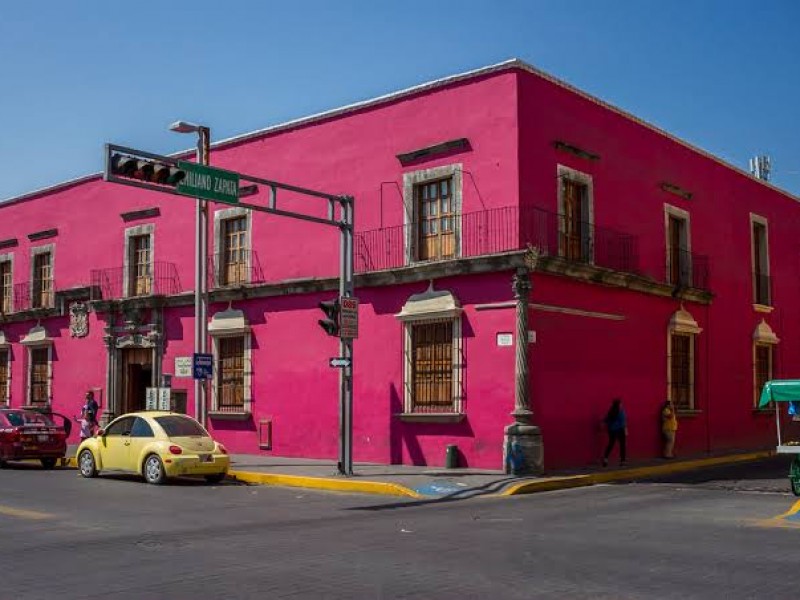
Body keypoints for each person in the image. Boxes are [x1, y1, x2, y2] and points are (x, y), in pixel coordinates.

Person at [602, 398, 627, 467]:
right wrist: (625, 430)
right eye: (621, 404)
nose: (621, 405)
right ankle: (622, 461)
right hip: (620, 430)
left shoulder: (611, 411)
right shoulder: (621, 411)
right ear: (619, 405)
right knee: (622, 445)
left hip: (611, 430)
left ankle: (605, 458)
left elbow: (606, 419)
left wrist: (603, 423)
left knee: (611, 444)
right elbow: (623, 422)